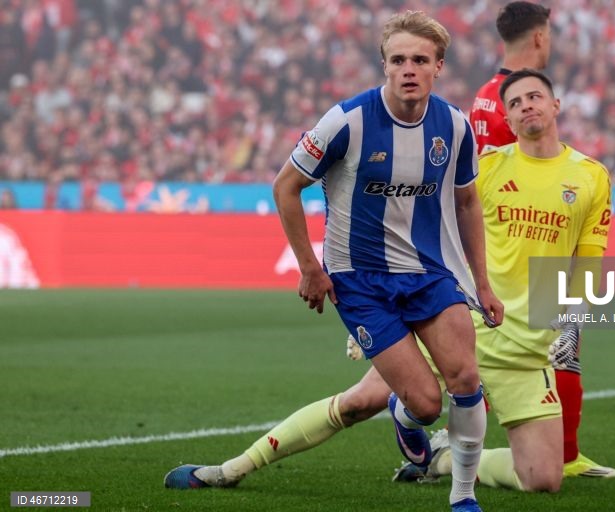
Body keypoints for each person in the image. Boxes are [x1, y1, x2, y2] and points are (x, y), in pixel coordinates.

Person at [165, 11, 503, 512]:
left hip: (430, 274)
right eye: (397, 59)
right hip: (361, 283)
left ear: (439, 67)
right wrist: (309, 267)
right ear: (383, 65)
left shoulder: (452, 126)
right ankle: (407, 416)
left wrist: (484, 283)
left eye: (419, 59)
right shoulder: (347, 121)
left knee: (466, 381)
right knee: (427, 404)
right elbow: (286, 185)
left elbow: (467, 202)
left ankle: (463, 498)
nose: (408, 68)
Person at [468, 1, 615, 479]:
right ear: (539, 37)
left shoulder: (485, 95)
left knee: (544, 347)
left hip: (518, 243)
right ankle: (565, 456)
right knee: (556, 345)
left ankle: (561, 453)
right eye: (549, 36)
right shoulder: (517, 99)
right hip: (518, 249)